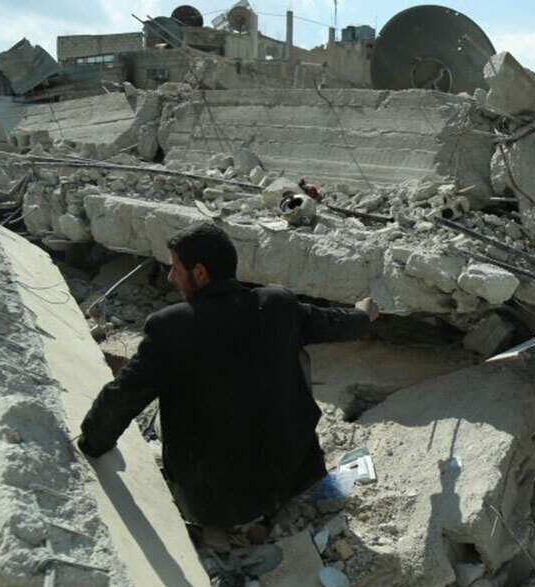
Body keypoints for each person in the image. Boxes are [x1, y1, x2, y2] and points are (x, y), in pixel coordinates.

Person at [77, 223, 379, 528]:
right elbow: (335, 323)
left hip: (218, 506)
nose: (170, 278)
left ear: (200, 273)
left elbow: (125, 394)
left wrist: (92, 442)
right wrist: (363, 315)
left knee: (162, 404)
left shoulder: (171, 326)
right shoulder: (278, 305)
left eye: (175, 269)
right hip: (292, 479)